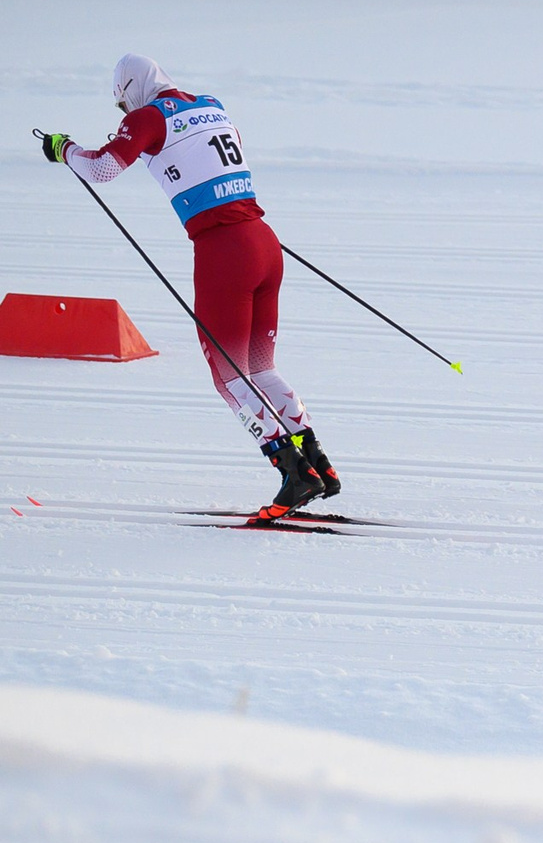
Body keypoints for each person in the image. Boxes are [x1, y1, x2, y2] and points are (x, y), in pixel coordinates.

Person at [39, 54, 339, 517]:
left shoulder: (146, 117)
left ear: (133, 90)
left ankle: (293, 473)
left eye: (123, 105)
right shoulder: (210, 104)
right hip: (263, 241)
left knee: (229, 377)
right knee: (260, 369)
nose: (124, 115)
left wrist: (64, 148)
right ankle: (317, 461)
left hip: (224, 253)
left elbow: (101, 168)